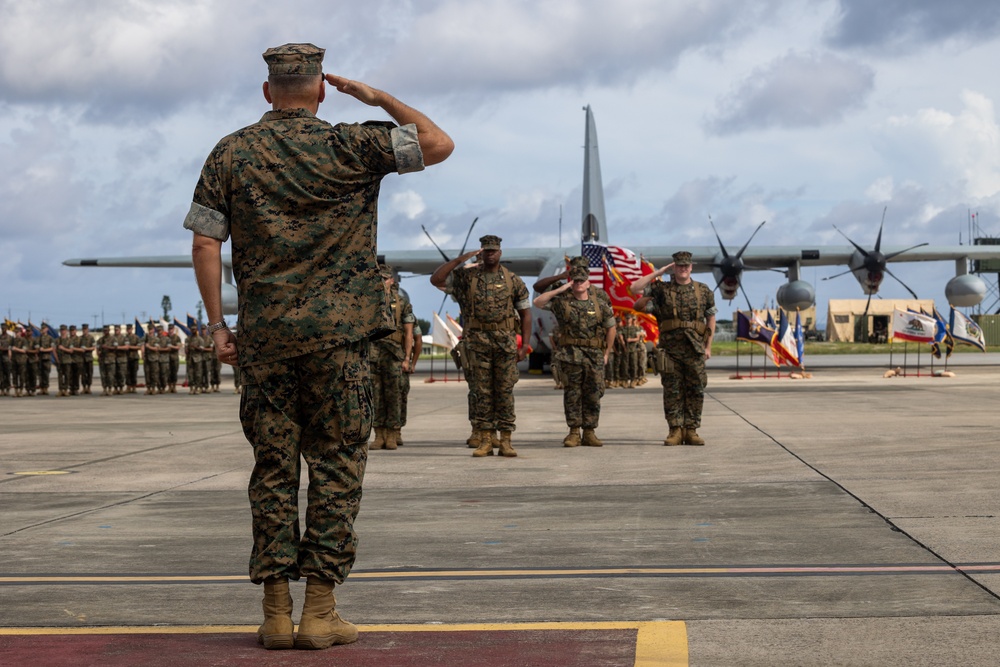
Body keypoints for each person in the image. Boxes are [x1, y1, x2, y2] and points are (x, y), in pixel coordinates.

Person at [185, 43, 452, 651]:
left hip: (266, 340)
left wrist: (219, 326)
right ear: (322, 90)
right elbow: (437, 143)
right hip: (342, 340)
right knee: (335, 465)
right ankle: (319, 612)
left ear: (267, 90)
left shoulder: (230, 151)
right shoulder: (353, 144)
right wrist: (378, 97)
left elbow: (206, 245)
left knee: (273, 467)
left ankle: (276, 613)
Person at [430, 235, 531, 458]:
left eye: (494, 250)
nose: (490, 254)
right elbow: (436, 279)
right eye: (486, 250)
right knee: (481, 392)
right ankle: (485, 439)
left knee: (505, 391)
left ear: (500, 252)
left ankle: (505, 440)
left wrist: (525, 344)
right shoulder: (466, 278)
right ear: (481, 253)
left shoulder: (513, 280)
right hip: (477, 343)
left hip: (505, 343)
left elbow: (525, 313)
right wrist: (461, 259)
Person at [630, 251, 716, 446]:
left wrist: (708, 347)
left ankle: (691, 430)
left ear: (691, 267)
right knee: (672, 391)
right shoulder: (662, 290)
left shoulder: (703, 290)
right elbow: (634, 288)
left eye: (686, 265)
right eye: (679, 266)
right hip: (670, 350)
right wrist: (659, 271)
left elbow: (710, 318)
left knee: (696, 389)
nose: (683, 268)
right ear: (674, 267)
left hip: (694, 348)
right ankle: (675, 430)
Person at [532, 262, 616, 447]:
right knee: (572, 394)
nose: (578, 283)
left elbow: (611, 328)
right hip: (570, 355)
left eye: (582, 281)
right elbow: (538, 302)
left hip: (593, 355)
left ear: (588, 283)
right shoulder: (562, 303)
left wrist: (607, 352)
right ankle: (573, 432)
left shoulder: (600, 304)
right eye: (575, 281)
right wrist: (561, 288)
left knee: (594, 394)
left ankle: (589, 432)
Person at [370, 264, 414, 450]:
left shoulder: (402, 304)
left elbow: (409, 333)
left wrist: (407, 359)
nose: (382, 282)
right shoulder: (369, 303)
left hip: (394, 355)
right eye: (379, 278)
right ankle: (379, 434)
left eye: (385, 279)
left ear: (392, 281)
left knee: (394, 395)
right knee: (375, 396)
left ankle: (392, 433)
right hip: (373, 354)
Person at [0, 323, 11, 396]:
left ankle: (7, 389)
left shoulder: (10, 338)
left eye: (4, 328)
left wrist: (3, 349)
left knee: (7, 374)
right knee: (1, 374)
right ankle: (2, 389)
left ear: (6, 328)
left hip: (7, 357)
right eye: (2, 328)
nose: (3, 329)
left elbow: (10, 348)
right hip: (0, 358)